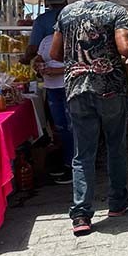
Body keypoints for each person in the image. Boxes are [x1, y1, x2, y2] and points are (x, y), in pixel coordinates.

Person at [50, 0, 128, 236]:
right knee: (115, 147)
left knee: (83, 153)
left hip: (76, 90)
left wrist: (79, 62)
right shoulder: (116, 11)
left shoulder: (66, 13)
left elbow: (55, 52)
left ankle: (81, 216)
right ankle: (117, 202)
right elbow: (124, 47)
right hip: (110, 90)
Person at [34, 31, 73, 184]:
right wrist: (38, 65)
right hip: (51, 88)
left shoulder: (72, 39)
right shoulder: (46, 39)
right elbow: (39, 57)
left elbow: (77, 64)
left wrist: (55, 71)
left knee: (71, 127)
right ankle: (68, 163)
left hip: (68, 86)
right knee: (60, 127)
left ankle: (73, 165)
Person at [22, 0, 68, 65]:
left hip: (49, 68)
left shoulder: (41, 20)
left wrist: (25, 60)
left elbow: (33, 48)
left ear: (46, 2)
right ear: (66, 0)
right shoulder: (74, 16)